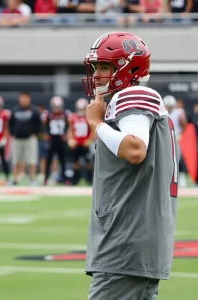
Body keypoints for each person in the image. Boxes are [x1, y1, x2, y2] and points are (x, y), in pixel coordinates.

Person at [83, 32, 178, 300]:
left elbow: (135, 149)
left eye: (104, 67)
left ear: (129, 68)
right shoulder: (132, 100)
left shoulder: (134, 94)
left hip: (125, 242)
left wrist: (97, 124)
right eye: (96, 67)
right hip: (134, 241)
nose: (97, 75)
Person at [9, 92, 41, 186]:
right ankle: (14, 179)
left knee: (32, 160)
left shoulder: (34, 111)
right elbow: (10, 123)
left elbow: (38, 124)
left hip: (29, 139)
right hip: (17, 139)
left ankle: (32, 179)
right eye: (22, 98)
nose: (24, 100)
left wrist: (35, 133)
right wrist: (13, 133)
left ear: (29, 99)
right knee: (15, 160)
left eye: (25, 98)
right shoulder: (15, 110)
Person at [42, 96, 69, 185]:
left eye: (58, 106)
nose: (57, 108)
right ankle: (45, 179)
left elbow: (69, 126)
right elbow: (44, 126)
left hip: (61, 140)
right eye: (55, 106)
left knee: (63, 160)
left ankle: (65, 179)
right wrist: (45, 134)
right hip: (52, 139)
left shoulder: (65, 114)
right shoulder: (48, 114)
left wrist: (66, 134)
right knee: (49, 160)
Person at [67, 98, 94, 185]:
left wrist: (89, 140)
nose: (81, 111)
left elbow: (93, 131)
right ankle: (75, 180)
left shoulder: (89, 118)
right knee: (75, 163)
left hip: (86, 144)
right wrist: (70, 140)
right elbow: (70, 130)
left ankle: (90, 180)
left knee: (88, 163)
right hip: (76, 144)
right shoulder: (72, 117)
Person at [163, 95, 188, 188]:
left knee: (177, 158)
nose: (169, 108)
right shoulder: (161, 112)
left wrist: (179, 133)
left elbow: (184, 125)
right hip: (164, 138)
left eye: (170, 106)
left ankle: (181, 177)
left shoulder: (179, 112)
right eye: (167, 106)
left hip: (175, 138)